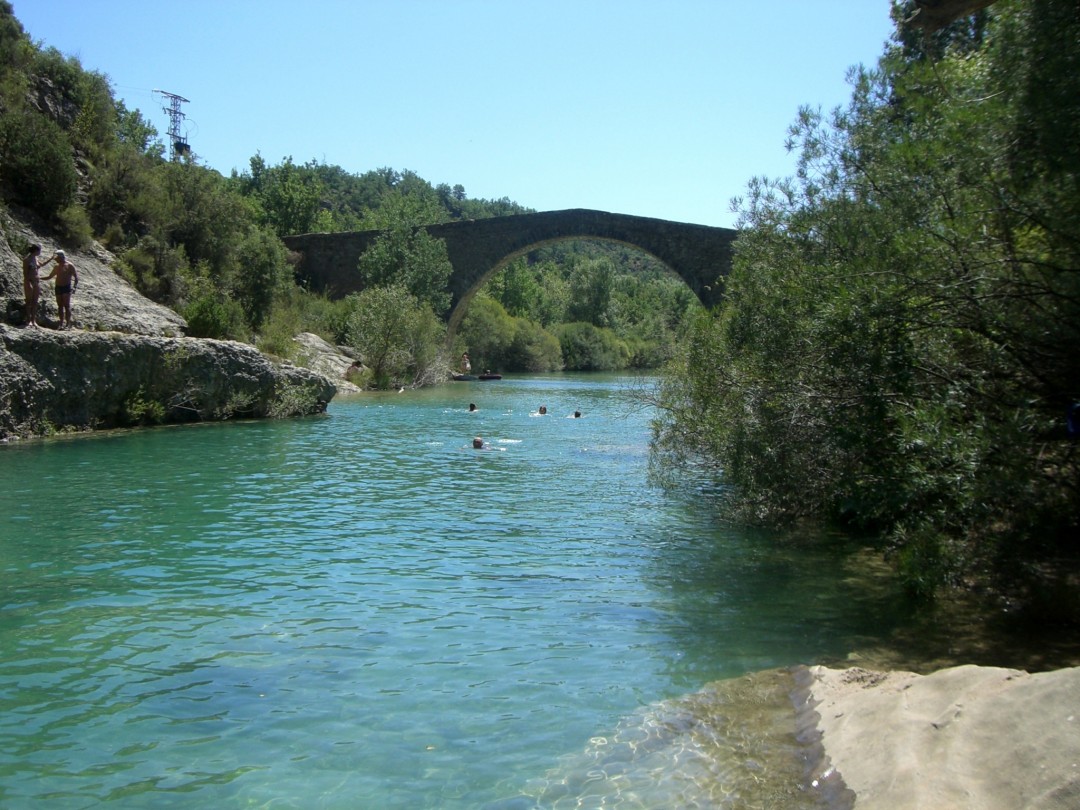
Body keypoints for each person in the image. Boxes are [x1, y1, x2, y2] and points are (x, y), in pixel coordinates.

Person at [40, 250, 79, 330]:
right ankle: (61, 323)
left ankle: (68, 324)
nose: (55, 259)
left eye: (56, 257)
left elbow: (76, 277)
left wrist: (74, 287)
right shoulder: (56, 266)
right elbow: (49, 276)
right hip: (58, 287)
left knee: (66, 306)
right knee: (60, 306)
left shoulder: (69, 265)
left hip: (66, 287)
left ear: (60, 257)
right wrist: (39, 278)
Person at [21, 244, 45, 327]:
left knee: (35, 302)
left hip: (36, 282)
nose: (40, 252)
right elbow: (25, 273)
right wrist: (28, 283)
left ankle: (34, 320)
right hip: (29, 282)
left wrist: (51, 258)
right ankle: (29, 320)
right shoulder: (27, 260)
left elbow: (42, 265)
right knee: (29, 301)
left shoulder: (36, 258)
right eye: (39, 250)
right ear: (35, 251)